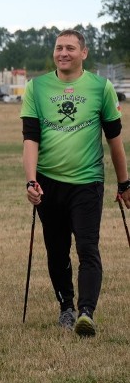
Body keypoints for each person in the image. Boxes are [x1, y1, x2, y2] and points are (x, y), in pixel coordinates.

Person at [21, 29, 130, 337]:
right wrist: (30, 181)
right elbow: (30, 138)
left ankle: (86, 312)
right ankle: (66, 306)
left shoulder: (101, 87)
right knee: (56, 250)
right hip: (47, 182)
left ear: (84, 53)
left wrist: (124, 183)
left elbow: (115, 141)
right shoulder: (37, 87)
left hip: (87, 182)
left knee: (87, 247)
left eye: (70, 48)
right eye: (59, 48)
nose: (63, 53)